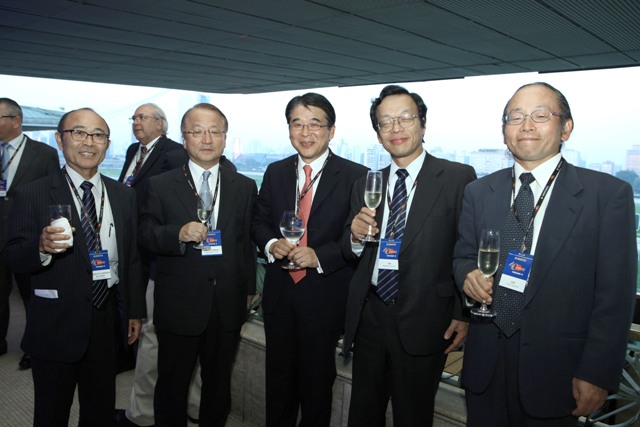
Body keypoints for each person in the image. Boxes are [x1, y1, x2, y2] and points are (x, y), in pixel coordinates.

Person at [453, 82, 637, 426]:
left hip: (559, 372)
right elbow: (463, 254)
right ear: (504, 131)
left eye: (540, 115)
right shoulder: (478, 191)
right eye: (516, 117)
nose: (526, 125)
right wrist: (467, 275)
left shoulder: (607, 195)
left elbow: (615, 296)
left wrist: (597, 372)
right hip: (485, 365)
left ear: (566, 127)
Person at [343, 85, 476, 427]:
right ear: (378, 134)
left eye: (405, 118)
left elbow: (467, 248)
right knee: (363, 413)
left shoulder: (457, 178)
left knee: (413, 416)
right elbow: (351, 251)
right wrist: (355, 237)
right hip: (371, 314)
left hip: (426, 317)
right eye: (386, 122)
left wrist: (462, 313)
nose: (396, 128)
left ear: (423, 123)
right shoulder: (367, 183)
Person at [5, 107, 144, 427]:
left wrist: (134, 311)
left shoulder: (124, 195)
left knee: (99, 410)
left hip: (106, 319)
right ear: (60, 139)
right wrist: (40, 247)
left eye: (98, 135)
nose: (88, 142)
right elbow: (12, 256)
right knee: (51, 413)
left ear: (107, 143)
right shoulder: (33, 193)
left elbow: (132, 258)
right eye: (78, 132)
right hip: (55, 321)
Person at [252, 92, 368, 426]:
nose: (305, 132)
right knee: (278, 383)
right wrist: (271, 243)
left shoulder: (356, 175)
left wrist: (319, 255)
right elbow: (259, 220)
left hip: (324, 294)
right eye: (297, 124)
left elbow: (357, 234)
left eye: (315, 124)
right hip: (279, 293)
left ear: (331, 131)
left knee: (317, 385)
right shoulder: (275, 171)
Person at [139, 102, 256, 427]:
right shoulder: (160, 185)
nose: (207, 139)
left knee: (218, 386)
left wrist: (249, 289)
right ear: (184, 138)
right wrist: (176, 233)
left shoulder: (244, 186)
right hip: (179, 302)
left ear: (225, 137)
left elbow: (245, 243)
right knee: (172, 386)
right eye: (197, 131)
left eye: (214, 131)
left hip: (227, 304)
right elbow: (144, 233)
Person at [115, 103, 200, 427]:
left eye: (143, 117)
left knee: (153, 338)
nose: (136, 122)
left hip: (164, 258)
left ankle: (143, 414)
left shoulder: (175, 153)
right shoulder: (133, 151)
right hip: (137, 248)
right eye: (134, 117)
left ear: (161, 124)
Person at [0, 98, 59, 370]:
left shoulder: (43, 154)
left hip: (28, 236)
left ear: (16, 121)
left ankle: (33, 347)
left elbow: (53, 194)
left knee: (31, 296)